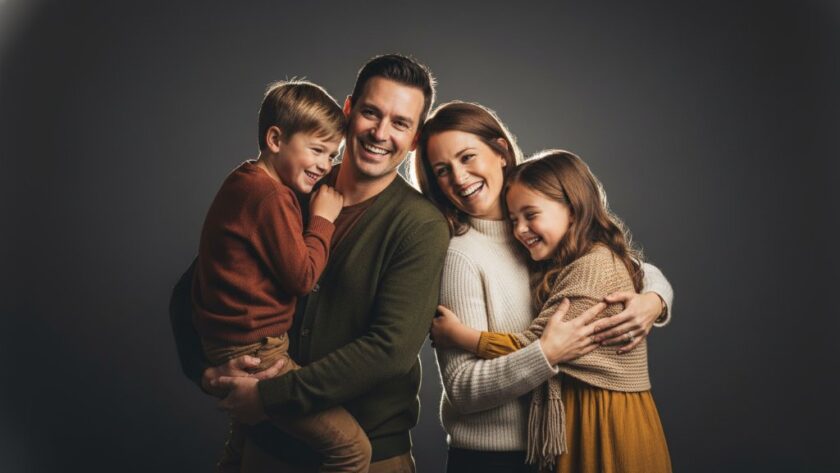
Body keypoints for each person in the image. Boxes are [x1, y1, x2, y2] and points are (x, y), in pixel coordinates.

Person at [171, 54, 450, 472]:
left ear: (414, 139)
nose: (380, 133)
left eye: (400, 123)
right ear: (348, 111)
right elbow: (194, 286)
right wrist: (204, 369)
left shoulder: (420, 225)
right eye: (371, 113)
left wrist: (270, 396)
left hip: (370, 453)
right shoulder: (289, 186)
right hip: (267, 443)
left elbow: (388, 350)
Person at [413, 101, 673, 473]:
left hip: (555, 449)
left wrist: (655, 299)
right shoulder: (463, 255)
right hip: (494, 459)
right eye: (442, 170)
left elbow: (618, 266)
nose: (458, 176)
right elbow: (463, 389)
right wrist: (546, 354)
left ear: (501, 151)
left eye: (467, 157)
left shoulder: (542, 231)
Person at [191, 80, 377, 472]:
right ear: (275, 139)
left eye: (333, 154)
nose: (325, 165)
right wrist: (323, 220)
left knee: (241, 450)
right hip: (258, 349)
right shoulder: (271, 197)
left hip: (230, 343)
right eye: (317, 150)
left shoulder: (242, 180)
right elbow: (302, 276)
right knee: (353, 450)